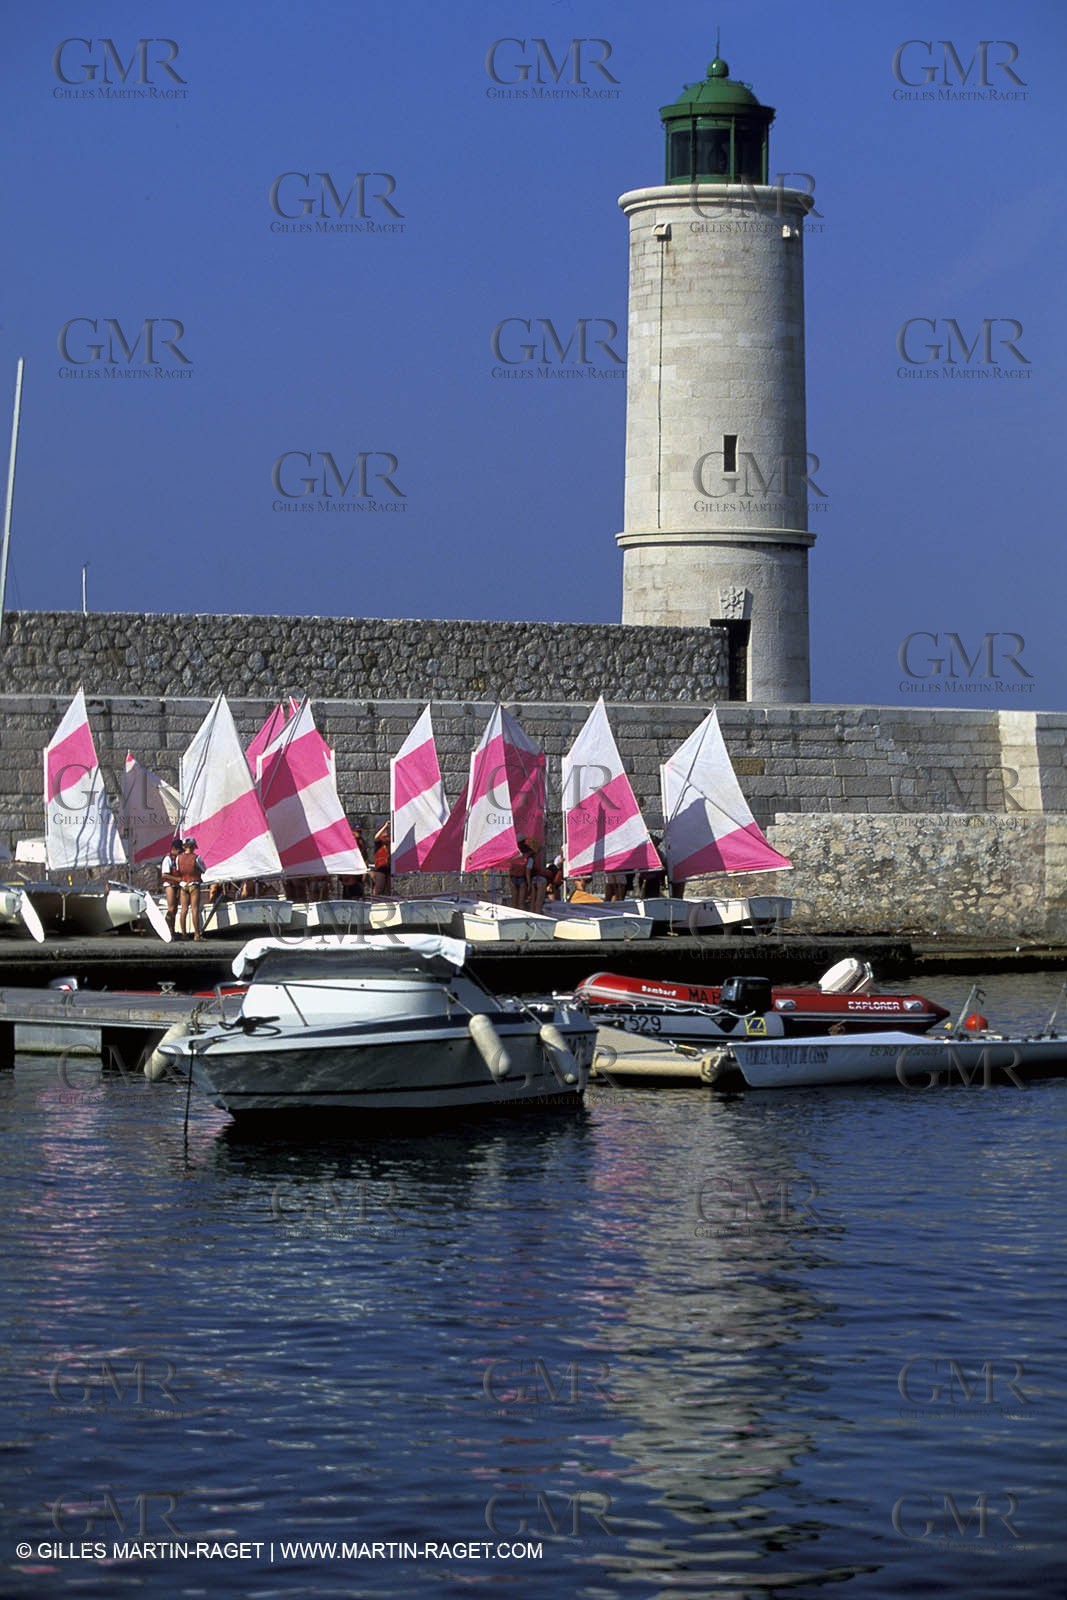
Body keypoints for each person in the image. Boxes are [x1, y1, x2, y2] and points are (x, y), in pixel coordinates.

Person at [175, 837, 206, 939]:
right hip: (194, 884)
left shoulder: (178, 858)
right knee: (194, 909)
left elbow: (178, 869)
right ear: (193, 847)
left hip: (183, 884)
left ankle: (184, 934)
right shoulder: (196, 858)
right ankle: (197, 934)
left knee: (183, 910)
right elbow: (203, 869)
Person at [160, 837, 183, 933]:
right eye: (179, 850)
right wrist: (177, 879)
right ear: (174, 848)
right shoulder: (167, 859)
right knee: (171, 908)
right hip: (169, 884)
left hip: (177, 885)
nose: (180, 852)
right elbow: (164, 874)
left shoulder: (178, 859)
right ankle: (166, 927)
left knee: (175, 909)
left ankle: (172, 930)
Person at [373, 822, 392, 896]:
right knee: (379, 888)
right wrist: (385, 826)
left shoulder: (390, 840)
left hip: (389, 867)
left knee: (388, 889)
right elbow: (376, 837)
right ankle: (376, 901)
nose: (386, 831)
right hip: (381, 868)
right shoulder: (379, 841)